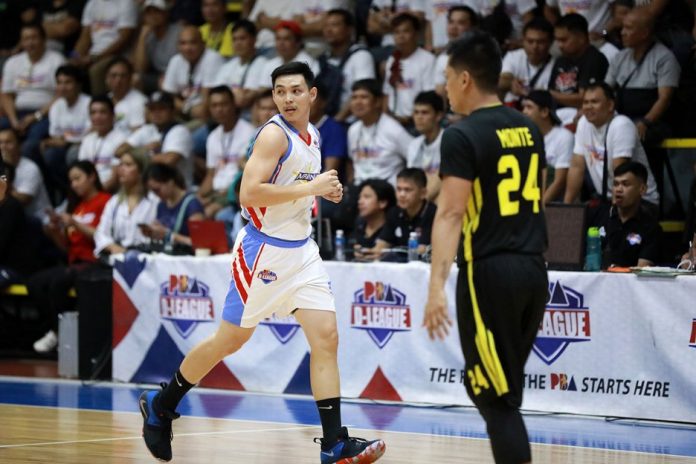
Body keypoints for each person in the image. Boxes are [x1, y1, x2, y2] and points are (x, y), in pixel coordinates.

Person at [138, 61, 386, 464]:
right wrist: (313, 185)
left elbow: (295, 191)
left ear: (312, 95)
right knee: (230, 341)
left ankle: (334, 444)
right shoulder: (273, 135)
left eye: (295, 90)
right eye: (280, 91)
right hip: (263, 253)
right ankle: (163, 404)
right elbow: (249, 195)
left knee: (326, 338)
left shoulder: (314, 135)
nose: (288, 98)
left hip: (301, 251)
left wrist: (324, 191)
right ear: (273, 96)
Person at [424, 31, 548, 464]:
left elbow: (451, 214)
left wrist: (436, 286)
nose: (443, 87)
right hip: (534, 269)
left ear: (463, 79)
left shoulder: (461, 135)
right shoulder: (529, 128)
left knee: (495, 397)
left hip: (489, 273)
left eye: (445, 77)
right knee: (495, 389)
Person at [29, 160, 111, 353]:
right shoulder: (77, 206)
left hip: (95, 261)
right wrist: (54, 232)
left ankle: (61, 335)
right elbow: (66, 247)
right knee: (35, 282)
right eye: (71, 181)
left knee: (59, 282)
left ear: (92, 177)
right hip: (74, 262)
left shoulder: (105, 201)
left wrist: (75, 223)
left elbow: (102, 237)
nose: (74, 184)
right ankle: (56, 330)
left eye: (78, 178)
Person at [563, 83, 660, 213]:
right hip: (606, 199)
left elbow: (620, 173)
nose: (588, 106)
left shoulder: (621, 125)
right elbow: (576, 167)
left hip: (641, 201)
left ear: (610, 105)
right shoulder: (583, 123)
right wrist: (565, 208)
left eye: (594, 102)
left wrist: (613, 214)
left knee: (608, 230)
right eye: (585, 102)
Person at [199, 86, 256, 218]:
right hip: (216, 193)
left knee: (209, 213)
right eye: (214, 105)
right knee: (192, 209)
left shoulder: (248, 132)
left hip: (235, 192)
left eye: (223, 104)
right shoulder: (213, 136)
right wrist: (198, 197)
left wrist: (219, 196)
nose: (219, 109)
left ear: (233, 104)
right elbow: (210, 175)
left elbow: (245, 173)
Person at [347, 79, 412, 186]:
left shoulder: (393, 129)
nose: (358, 102)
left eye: (364, 97)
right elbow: (351, 163)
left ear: (377, 102)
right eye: (354, 97)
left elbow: (414, 156)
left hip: (386, 191)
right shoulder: (352, 130)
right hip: (359, 190)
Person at [362, 167, 436, 261]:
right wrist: (369, 253)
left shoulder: (433, 213)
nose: (401, 194)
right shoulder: (394, 212)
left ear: (423, 193)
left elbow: (422, 250)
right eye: (398, 189)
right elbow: (382, 244)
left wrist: (392, 252)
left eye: (407, 190)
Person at [93, 151, 158, 257]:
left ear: (141, 171)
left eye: (128, 165)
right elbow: (101, 233)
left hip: (147, 257)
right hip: (118, 256)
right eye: (120, 165)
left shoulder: (155, 200)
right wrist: (113, 247)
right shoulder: (114, 201)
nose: (121, 169)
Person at [548, 13, 608, 123]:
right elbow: (552, 91)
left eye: (564, 40)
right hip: (557, 116)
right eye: (557, 40)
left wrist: (550, 95)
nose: (559, 45)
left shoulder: (594, 59)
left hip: (582, 117)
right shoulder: (561, 59)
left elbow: (584, 99)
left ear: (581, 38)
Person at [600, 161, 662, 269]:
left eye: (625, 184)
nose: (618, 189)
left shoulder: (651, 228)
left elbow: (642, 271)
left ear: (642, 189)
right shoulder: (600, 216)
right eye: (616, 184)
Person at [72, 0, 137, 95]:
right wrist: (75, 56)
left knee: (95, 71)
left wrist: (96, 58)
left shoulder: (126, 3)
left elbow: (124, 39)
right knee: (67, 67)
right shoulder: (92, 3)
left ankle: (100, 104)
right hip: (93, 54)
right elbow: (84, 36)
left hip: (117, 55)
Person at [382, 13, 436, 127]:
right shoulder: (392, 60)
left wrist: (411, 118)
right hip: (393, 121)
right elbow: (387, 94)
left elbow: (428, 95)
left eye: (406, 31)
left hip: (416, 122)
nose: (401, 36)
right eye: (396, 32)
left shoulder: (427, 59)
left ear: (416, 34)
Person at [521, 90, 574, 204]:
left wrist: (538, 208)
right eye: (524, 107)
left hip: (555, 203)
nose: (524, 112)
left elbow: (560, 181)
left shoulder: (563, 137)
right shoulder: (524, 137)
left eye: (529, 107)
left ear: (544, 112)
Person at [142, 163, 204, 250]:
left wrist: (168, 234)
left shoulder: (192, 204)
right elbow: (163, 233)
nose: (156, 195)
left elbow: (199, 242)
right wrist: (154, 232)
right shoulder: (161, 205)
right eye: (153, 192)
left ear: (170, 182)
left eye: (157, 190)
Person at [498, 17, 555, 108]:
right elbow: (502, 79)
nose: (535, 46)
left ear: (550, 42)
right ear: (523, 40)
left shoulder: (556, 65)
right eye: (530, 41)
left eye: (540, 42)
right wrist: (511, 82)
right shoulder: (513, 56)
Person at [78, 96, 129, 192]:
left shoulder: (122, 140)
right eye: (93, 113)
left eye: (102, 112)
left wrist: (95, 194)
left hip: (109, 192)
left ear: (112, 115)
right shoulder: (87, 139)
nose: (97, 116)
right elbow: (81, 171)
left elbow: (115, 180)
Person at [132, 0, 182, 95]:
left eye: (157, 11)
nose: (153, 16)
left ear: (166, 13)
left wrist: (169, 77)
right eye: (149, 12)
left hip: (177, 75)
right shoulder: (148, 36)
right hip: (158, 77)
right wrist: (142, 38)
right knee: (135, 79)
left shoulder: (178, 32)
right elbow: (139, 69)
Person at [407, 91, 444, 202]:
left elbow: (444, 180)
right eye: (416, 112)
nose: (419, 117)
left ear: (438, 115)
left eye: (424, 113)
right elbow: (411, 180)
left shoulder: (449, 140)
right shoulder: (413, 144)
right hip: (418, 199)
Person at [351, 178, 396, 260]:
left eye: (366, 197)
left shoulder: (392, 227)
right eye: (360, 197)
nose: (360, 202)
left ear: (383, 203)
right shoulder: (359, 223)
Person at [106, 57, 147, 135]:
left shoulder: (139, 101)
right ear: (107, 79)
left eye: (123, 76)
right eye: (114, 76)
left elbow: (138, 133)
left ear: (130, 78)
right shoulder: (104, 100)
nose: (118, 80)